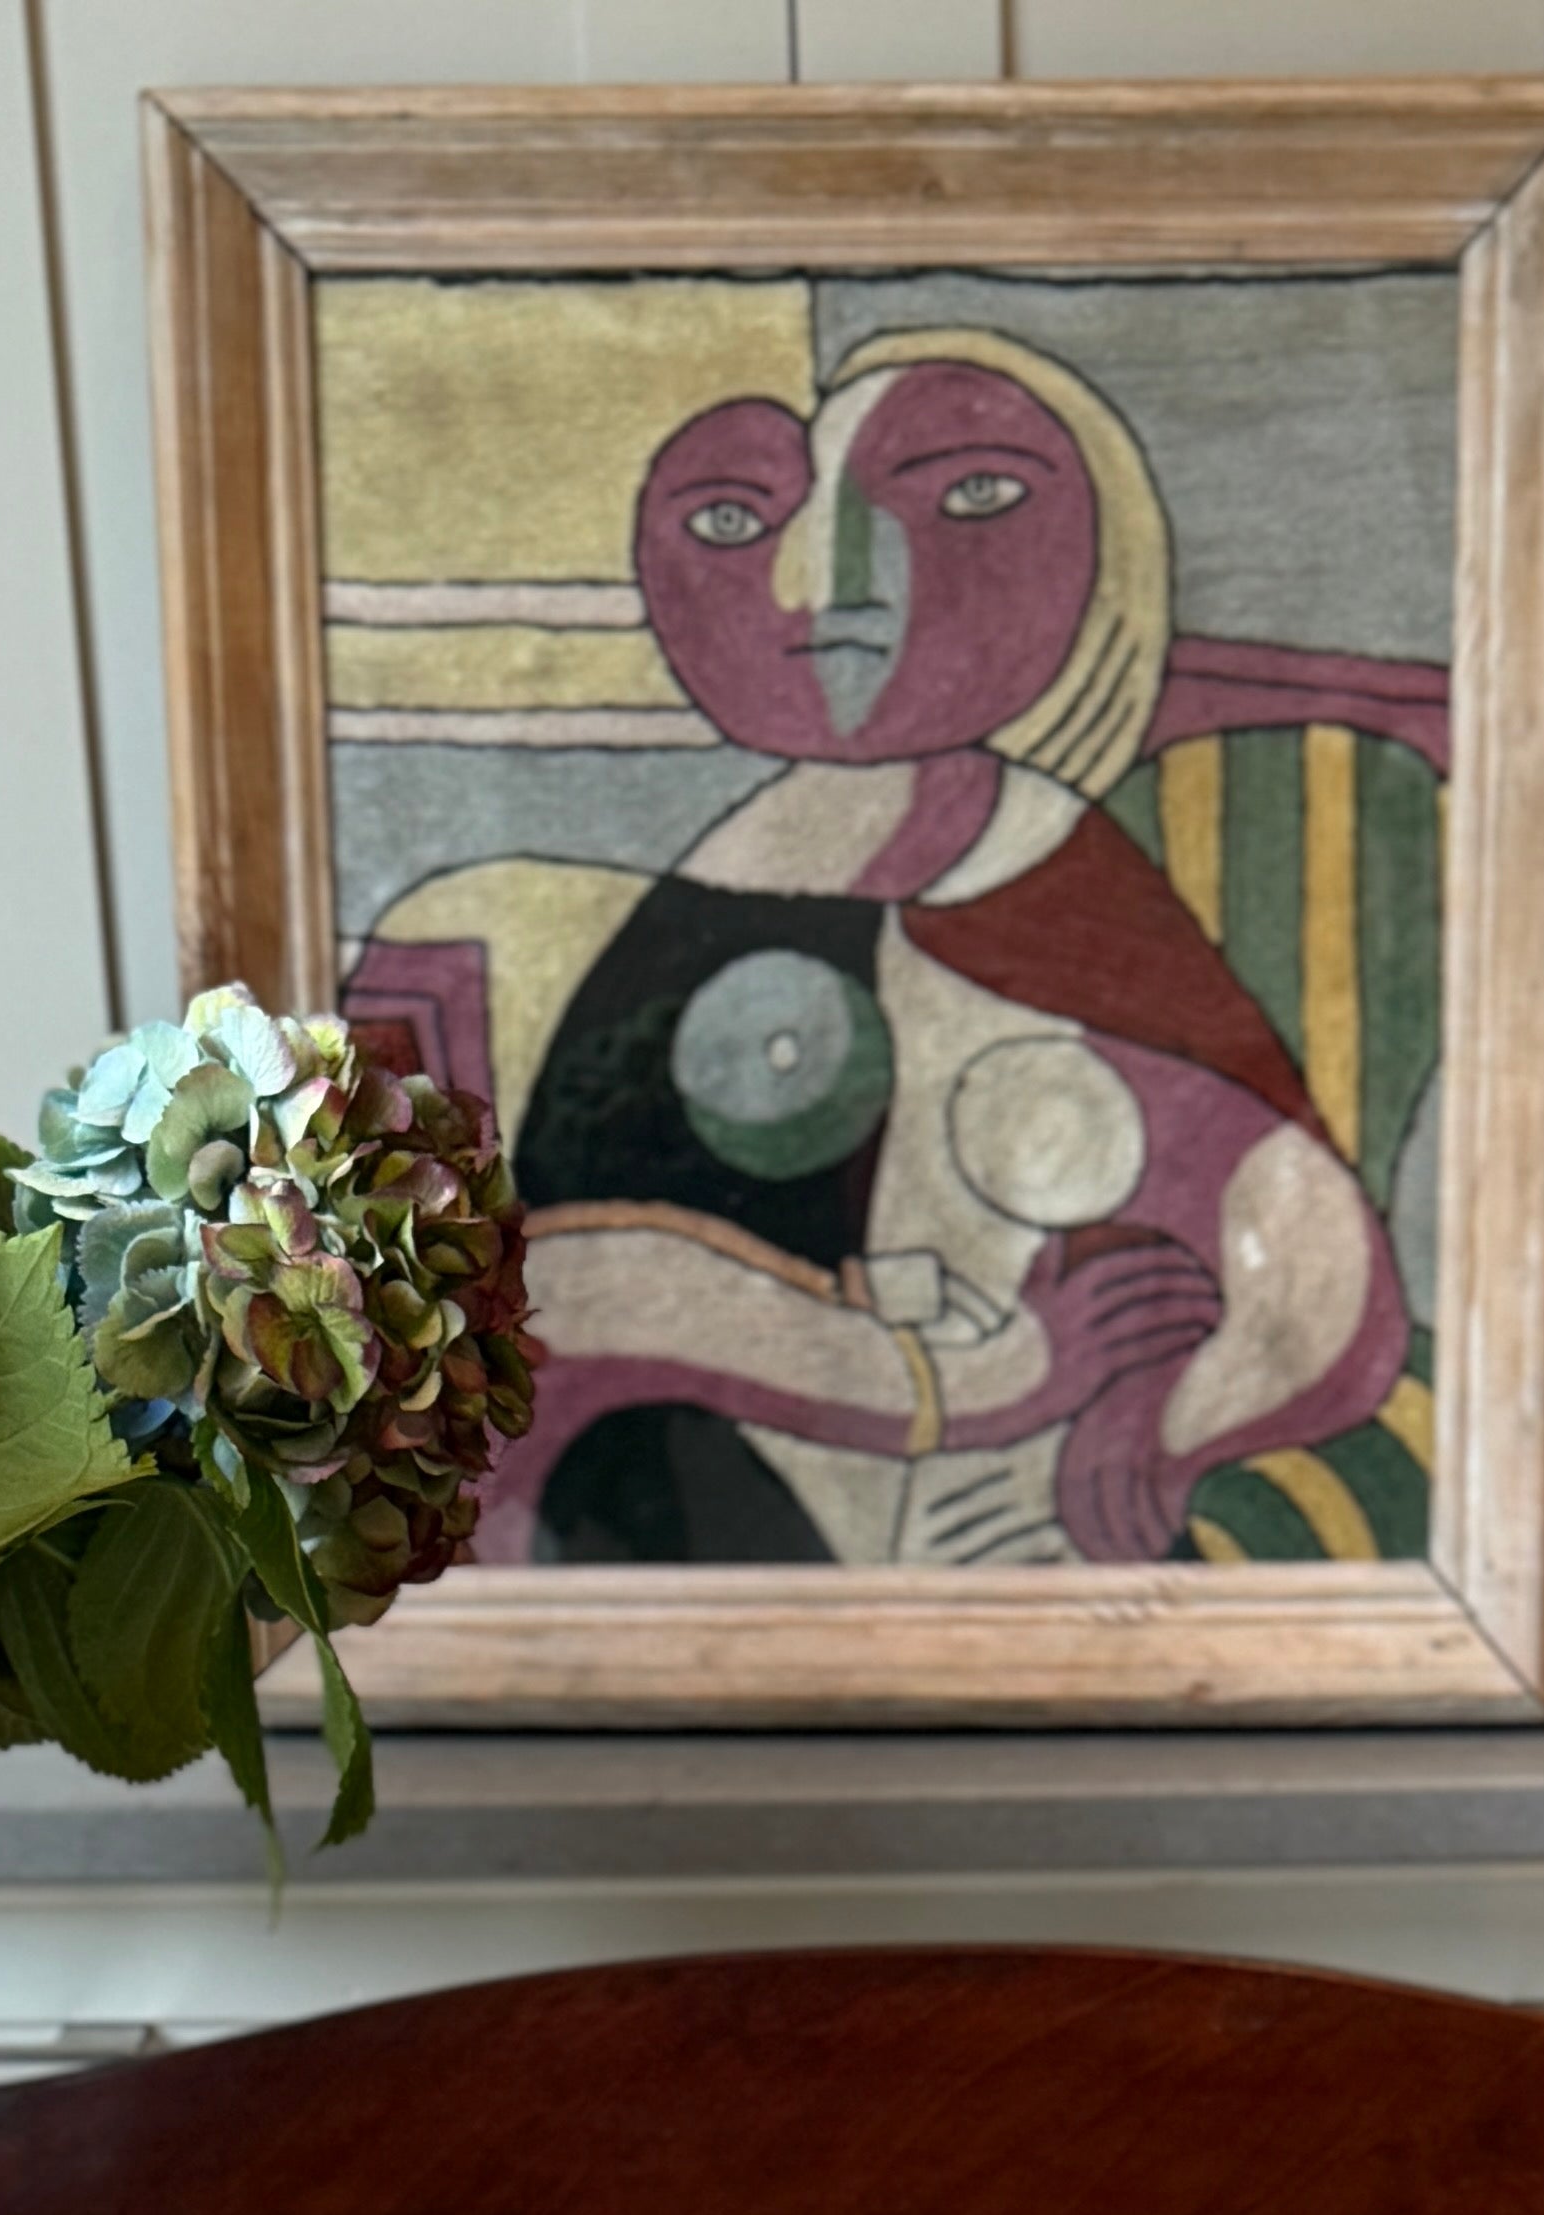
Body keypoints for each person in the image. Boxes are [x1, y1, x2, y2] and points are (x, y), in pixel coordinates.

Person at [369, 327, 1412, 1573]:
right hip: (670, 1517)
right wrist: (968, 1378)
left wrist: (1162, 1431)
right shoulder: (686, 899)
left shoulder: (1047, 880)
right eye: (733, 521)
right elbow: (574, 1294)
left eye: (968, 497)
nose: (825, 584)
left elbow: (1311, 1259)